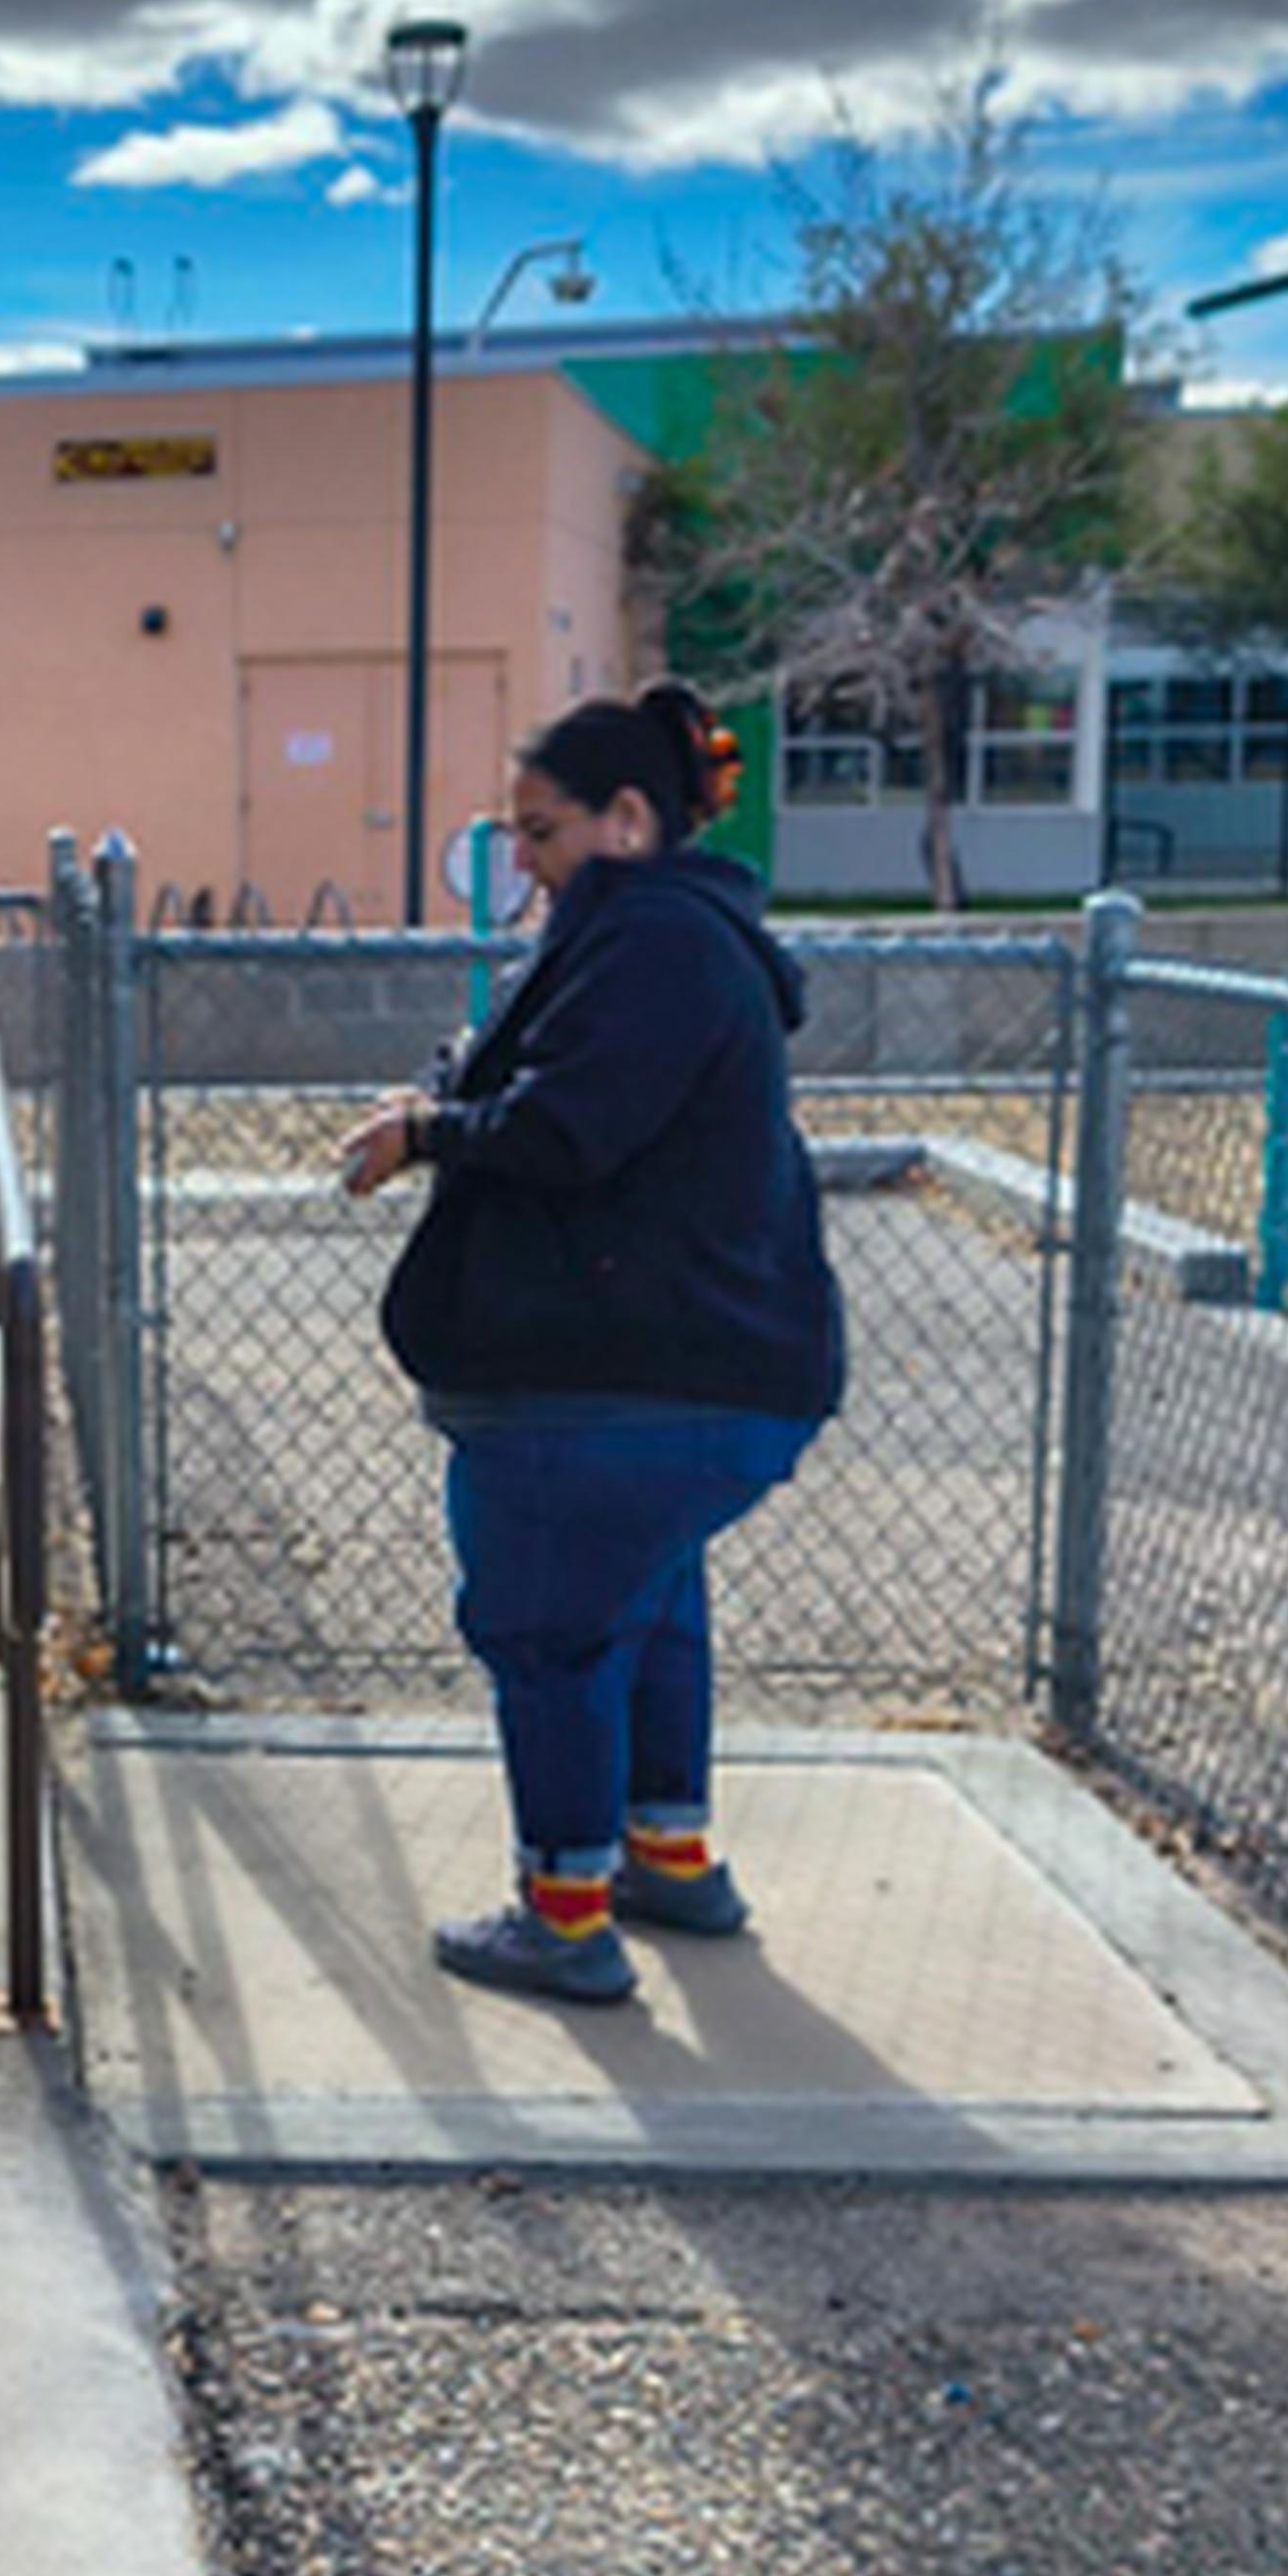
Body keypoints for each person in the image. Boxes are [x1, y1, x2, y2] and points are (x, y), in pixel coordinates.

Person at [337, 681, 844, 2010]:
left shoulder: (652, 939)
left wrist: (428, 1134)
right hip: (707, 1374)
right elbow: (566, 1091)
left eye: (543, 833)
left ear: (629, 820)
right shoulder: (681, 937)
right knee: (650, 1607)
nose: (529, 865)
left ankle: (564, 1917)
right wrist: (451, 1105)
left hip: (606, 1382)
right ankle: (665, 1855)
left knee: (553, 1634)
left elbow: (572, 1126)